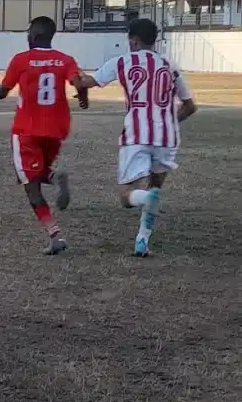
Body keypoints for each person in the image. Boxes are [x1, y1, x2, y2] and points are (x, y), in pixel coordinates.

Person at [75, 18, 197, 257]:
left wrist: (75, 77)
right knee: (156, 187)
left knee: (127, 195)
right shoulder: (169, 65)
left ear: (134, 40)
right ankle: (142, 240)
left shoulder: (123, 61)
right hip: (167, 136)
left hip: (137, 134)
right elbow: (190, 106)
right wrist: (170, 122)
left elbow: (87, 82)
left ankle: (144, 201)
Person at [0, 16, 87, 255]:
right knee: (37, 171)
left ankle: (55, 235)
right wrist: (83, 99)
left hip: (27, 130)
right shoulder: (65, 59)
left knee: (29, 183)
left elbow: (2, 92)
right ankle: (54, 177)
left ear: (33, 36)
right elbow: (79, 82)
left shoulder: (21, 59)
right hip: (55, 130)